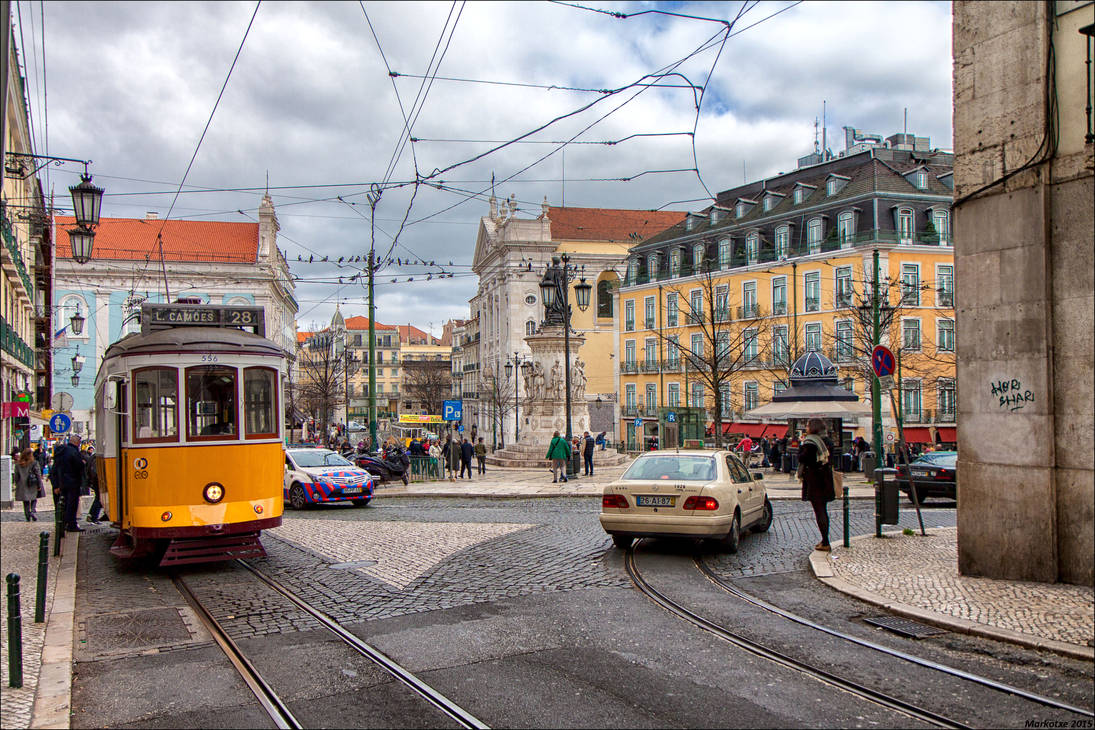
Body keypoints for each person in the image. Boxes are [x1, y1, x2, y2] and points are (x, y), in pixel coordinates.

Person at [798, 418, 836, 552]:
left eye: (807, 425)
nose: (806, 428)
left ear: (812, 427)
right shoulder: (827, 441)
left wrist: (801, 445)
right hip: (825, 478)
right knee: (823, 510)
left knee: (819, 510)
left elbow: (802, 458)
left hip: (814, 480)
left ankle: (825, 542)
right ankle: (824, 540)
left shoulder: (810, 443)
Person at [52, 433, 87, 532]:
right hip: (72, 482)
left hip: (61, 482)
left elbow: (56, 468)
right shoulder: (73, 452)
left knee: (63, 504)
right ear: (77, 443)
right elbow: (78, 466)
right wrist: (83, 463)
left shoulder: (62, 451)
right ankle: (71, 525)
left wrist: (56, 484)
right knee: (71, 504)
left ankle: (62, 525)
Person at [14, 448, 45, 521]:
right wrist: (39, 484)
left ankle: (28, 515)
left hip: (22, 485)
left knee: (26, 501)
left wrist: (17, 484)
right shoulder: (34, 463)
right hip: (32, 484)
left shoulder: (18, 464)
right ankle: (33, 511)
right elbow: (38, 474)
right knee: (34, 498)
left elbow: (16, 476)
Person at [83, 445, 105, 523]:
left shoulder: (93, 457)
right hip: (98, 481)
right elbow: (95, 472)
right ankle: (93, 516)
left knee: (98, 498)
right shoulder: (97, 458)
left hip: (95, 481)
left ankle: (92, 515)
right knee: (99, 499)